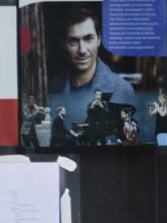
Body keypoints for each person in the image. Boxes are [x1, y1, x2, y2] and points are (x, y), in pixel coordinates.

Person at [35, 8, 148, 146]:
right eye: (73, 41)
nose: (82, 50)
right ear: (64, 44)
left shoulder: (122, 89)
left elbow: (132, 146)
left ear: (99, 39)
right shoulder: (51, 88)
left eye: (88, 38)